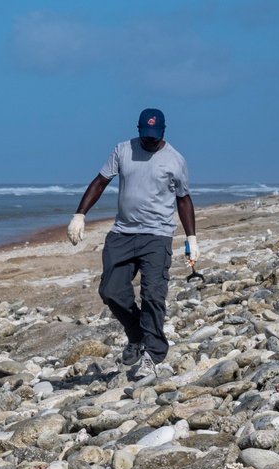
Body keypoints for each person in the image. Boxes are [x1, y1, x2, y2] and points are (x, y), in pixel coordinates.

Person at [66, 108, 197, 379]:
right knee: (110, 291)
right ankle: (136, 335)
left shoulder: (175, 159)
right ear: (138, 130)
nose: (149, 142)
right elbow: (101, 181)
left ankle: (152, 354)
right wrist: (80, 214)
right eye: (145, 136)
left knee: (153, 295)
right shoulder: (123, 150)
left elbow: (183, 199)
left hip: (157, 236)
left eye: (155, 137)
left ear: (163, 132)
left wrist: (191, 238)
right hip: (123, 233)